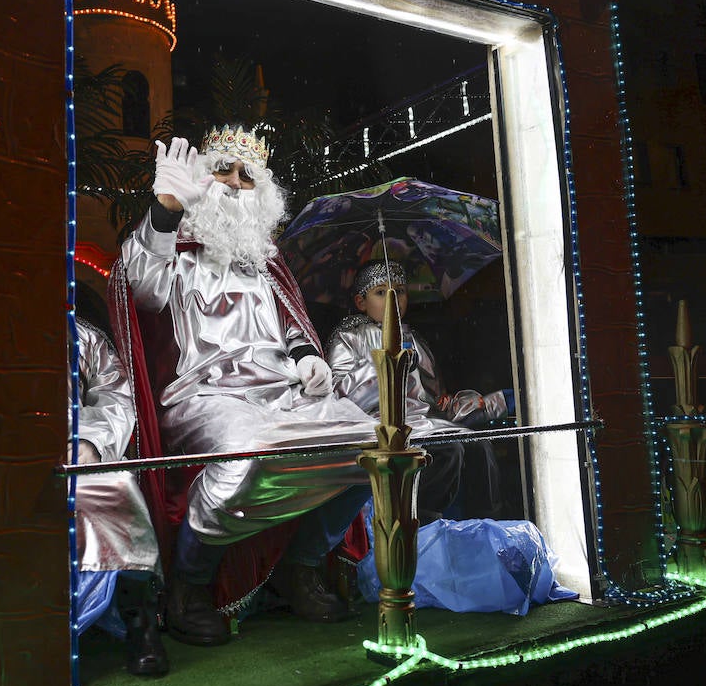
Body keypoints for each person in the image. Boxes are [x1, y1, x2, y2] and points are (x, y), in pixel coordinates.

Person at [108, 125, 381, 647]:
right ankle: (189, 586)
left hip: (283, 393)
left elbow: (293, 323)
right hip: (205, 396)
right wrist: (164, 210)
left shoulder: (265, 260)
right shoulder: (173, 247)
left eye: (247, 175)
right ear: (202, 179)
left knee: (376, 445)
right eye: (222, 169)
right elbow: (140, 291)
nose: (234, 182)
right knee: (246, 455)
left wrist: (307, 358)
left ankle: (299, 567)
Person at [326, 260, 512, 520]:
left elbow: (436, 402)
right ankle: (420, 521)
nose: (394, 300)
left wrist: (486, 403)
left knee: (477, 444)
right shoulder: (349, 337)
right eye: (381, 293)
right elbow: (338, 396)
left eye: (399, 291)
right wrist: (385, 364)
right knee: (449, 450)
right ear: (361, 302)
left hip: (424, 424)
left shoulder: (415, 340)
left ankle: (485, 523)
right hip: (376, 425)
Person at [71, 315, 167, 677]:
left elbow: (115, 395)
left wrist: (91, 442)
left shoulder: (83, 336)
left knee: (116, 490)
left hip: (79, 446)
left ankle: (139, 620)